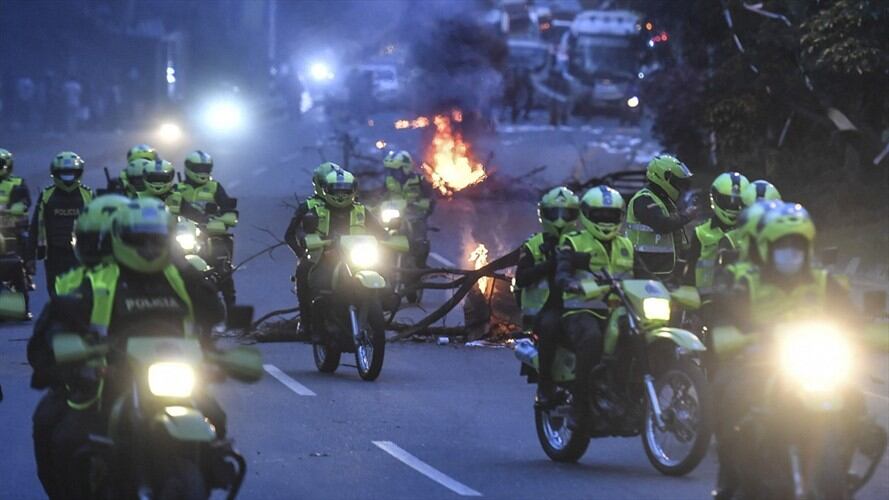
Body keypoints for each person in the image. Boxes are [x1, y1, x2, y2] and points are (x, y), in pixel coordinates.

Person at [28, 197, 225, 499]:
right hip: (108, 382)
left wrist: (185, 266)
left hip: (171, 381)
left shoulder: (176, 278)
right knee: (62, 432)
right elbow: (51, 334)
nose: (147, 248)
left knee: (216, 416)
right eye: (138, 240)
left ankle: (211, 473)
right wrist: (69, 361)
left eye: (156, 240)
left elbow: (213, 311)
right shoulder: (94, 283)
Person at [708, 202, 884, 498]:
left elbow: (853, 319)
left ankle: (844, 461)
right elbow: (722, 323)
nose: (791, 252)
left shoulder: (823, 281)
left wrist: (869, 333)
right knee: (730, 392)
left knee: (854, 399)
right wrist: (744, 337)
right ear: (764, 246)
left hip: (811, 362)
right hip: (759, 365)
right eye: (782, 245)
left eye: (797, 244)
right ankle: (731, 477)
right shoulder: (741, 281)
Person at [554, 185, 636, 429]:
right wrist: (570, 282)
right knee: (591, 339)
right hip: (581, 311)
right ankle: (579, 407)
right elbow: (562, 271)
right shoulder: (573, 242)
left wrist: (667, 284)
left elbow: (644, 273)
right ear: (587, 215)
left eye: (611, 216)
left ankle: (627, 395)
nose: (606, 220)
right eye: (600, 215)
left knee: (641, 337)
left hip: (619, 311)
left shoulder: (626, 244)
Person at [284, 168, 386, 338]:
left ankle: (377, 310)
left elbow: (380, 232)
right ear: (326, 190)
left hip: (355, 256)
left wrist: (391, 240)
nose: (341, 195)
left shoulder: (360, 210)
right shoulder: (312, 207)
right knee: (304, 273)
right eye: (336, 190)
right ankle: (306, 322)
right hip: (324, 257)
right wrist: (303, 248)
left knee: (383, 269)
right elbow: (294, 233)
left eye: (345, 190)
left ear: (353, 190)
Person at [514, 186, 579, 407]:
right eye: (554, 214)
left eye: (566, 214)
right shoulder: (533, 245)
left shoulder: (584, 242)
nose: (560, 220)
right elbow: (521, 278)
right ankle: (545, 387)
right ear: (544, 214)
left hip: (581, 305)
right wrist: (549, 265)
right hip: (544, 309)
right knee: (551, 327)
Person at [285, 162, 342, 337]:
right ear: (319, 184)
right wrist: (301, 253)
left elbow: (375, 230)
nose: (336, 190)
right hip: (317, 256)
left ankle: (373, 311)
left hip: (348, 255)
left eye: (339, 186)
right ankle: (306, 320)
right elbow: (290, 234)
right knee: (303, 272)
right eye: (329, 184)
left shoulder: (354, 206)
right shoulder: (308, 206)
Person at [176, 150, 238, 305]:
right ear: (189, 168)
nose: (202, 172)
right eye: (198, 169)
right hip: (185, 231)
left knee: (223, 266)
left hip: (210, 233)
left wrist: (222, 219)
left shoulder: (215, 187)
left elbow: (228, 209)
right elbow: (168, 208)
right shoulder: (178, 188)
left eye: (205, 168)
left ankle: (231, 306)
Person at [27, 152, 93, 294]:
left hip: (83, 253)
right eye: (64, 174)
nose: (68, 178)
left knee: (84, 290)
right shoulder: (46, 195)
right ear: (55, 174)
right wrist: (29, 258)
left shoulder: (88, 195)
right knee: (56, 292)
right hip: (54, 255)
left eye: (72, 173)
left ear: (79, 173)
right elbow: (35, 227)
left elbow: (99, 224)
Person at [625, 154, 696, 282]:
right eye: (677, 182)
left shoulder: (666, 202)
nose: (680, 187)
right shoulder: (644, 199)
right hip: (645, 275)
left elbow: (678, 240)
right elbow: (662, 225)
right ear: (665, 178)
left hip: (667, 274)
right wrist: (687, 215)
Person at [684, 172, 749, 295]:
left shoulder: (751, 232)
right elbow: (689, 275)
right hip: (704, 304)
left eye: (738, 203)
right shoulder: (701, 233)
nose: (733, 207)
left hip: (742, 304)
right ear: (714, 198)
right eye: (727, 201)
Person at [382, 150, 434, 269]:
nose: (393, 173)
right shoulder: (389, 181)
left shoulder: (420, 181)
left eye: (396, 170)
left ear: (406, 168)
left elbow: (430, 199)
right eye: (391, 170)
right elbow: (380, 196)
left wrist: (422, 206)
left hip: (414, 217)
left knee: (421, 241)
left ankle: (421, 266)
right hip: (394, 216)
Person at [0, 148, 34, 316]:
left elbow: (26, 202)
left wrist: (11, 209)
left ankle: (28, 272)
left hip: (13, 229)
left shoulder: (18, 183)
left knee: (26, 243)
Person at [141, 159, 207, 222]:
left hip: (172, 232)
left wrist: (205, 220)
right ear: (145, 177)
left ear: (171, 177)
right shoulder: (137, 197)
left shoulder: (177, 199)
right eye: (154, 178)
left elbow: (194, 214)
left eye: (163, 178)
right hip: (143, 232)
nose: (158, 182)